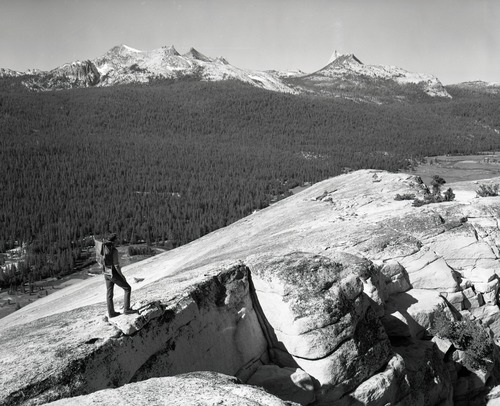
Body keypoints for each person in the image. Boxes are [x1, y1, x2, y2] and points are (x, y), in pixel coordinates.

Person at [102, 233, 134, 318]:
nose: (118, 241)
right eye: (117, 239)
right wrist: (122, 276)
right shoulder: (114, 250)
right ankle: (126, 309)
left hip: (105, 272)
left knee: (109, 293)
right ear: (114, 240)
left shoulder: (103, 247)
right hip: (112, 273)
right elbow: (116, 265)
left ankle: (111, 313)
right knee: (127, 288)